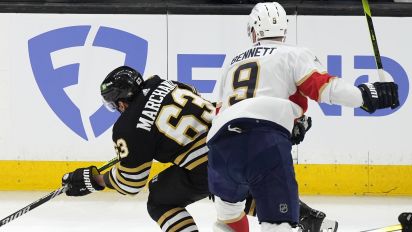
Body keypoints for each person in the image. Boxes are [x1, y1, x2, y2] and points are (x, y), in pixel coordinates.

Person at [61, 66, 334, 232]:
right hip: (237, 139)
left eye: (114, 104)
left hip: (210, 163)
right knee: (227, 190)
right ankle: (309, 219)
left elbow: (131, 183)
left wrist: (93, 179)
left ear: (121, 101)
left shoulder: (127, 128)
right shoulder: (164, 84)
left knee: (159, 197)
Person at [206, 2, 399, 232]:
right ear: (284, 29)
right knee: (278, 225)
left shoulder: (232, 61)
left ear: (254, 31)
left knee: (228, 219)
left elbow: (219, 111)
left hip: (221, 148)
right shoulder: (293, 54)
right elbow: (325, 89)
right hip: (264, 142)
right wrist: (366, 96)